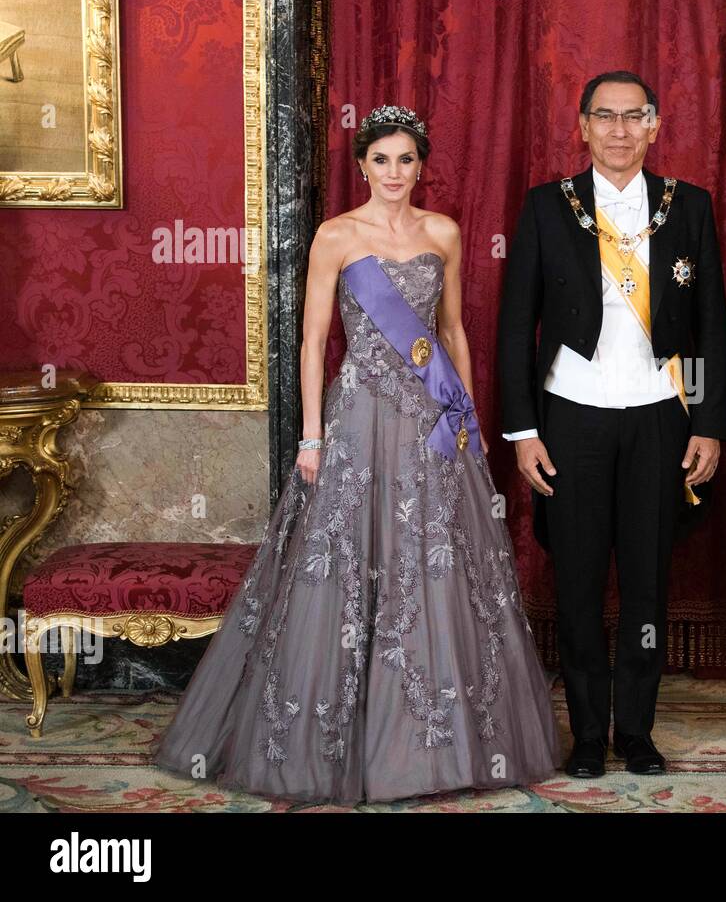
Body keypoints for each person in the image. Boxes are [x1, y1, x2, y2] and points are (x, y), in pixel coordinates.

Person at [153, 105, 560, 804]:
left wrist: (465, 413)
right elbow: (314, 343)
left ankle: (438, 744)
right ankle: (336, 744)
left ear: (421, 165)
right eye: (381, 160)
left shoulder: (444, 233)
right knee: (341, 572)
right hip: (359, 421)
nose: (394, 173)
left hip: (432, 424)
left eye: (406, 160)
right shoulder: (336, 236)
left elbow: (454, 331)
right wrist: (312, 435)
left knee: (435, 573)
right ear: (362, 165)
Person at [497, 71, 726, 778]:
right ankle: (589, 734)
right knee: (577, 581)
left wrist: (710, 422)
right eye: (606, 117)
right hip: (571, 417)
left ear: (655, 126)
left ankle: (637, 733)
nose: (621, 130)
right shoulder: (547, 206)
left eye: (635, 117)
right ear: (583, 126)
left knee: (647, 584)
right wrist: (522, 431)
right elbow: (514, 328)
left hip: (661, 416)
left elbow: (713, 324)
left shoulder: (687, 206)